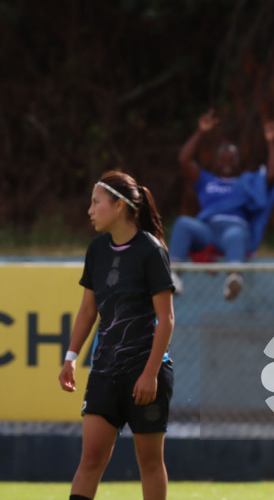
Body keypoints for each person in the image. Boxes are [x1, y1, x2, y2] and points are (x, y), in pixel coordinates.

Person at [58, 171, 175, 500]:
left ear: (120, 205)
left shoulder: (151, 252)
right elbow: (87, 312)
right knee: (90, 459)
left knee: (149, 462)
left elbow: (166, 320)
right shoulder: (96, 250)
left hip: (145, 373)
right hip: (105, 372)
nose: (90, 210)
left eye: (96, 202)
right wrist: (70, 357)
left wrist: (151, 374)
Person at [169, 109, 274, 300]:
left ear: (239, 162)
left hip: (235, 231)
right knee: (182, 223)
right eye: (223, 158)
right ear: (215, 161)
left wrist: (270, 141)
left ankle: (233, 279)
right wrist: (201, 132)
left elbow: (272, 173)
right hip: (208, 230)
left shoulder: (247, 182)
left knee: (234, 234)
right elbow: (184, 160)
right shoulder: (207, 180)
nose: (227, 162)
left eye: (232, 159)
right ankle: (173, 276)